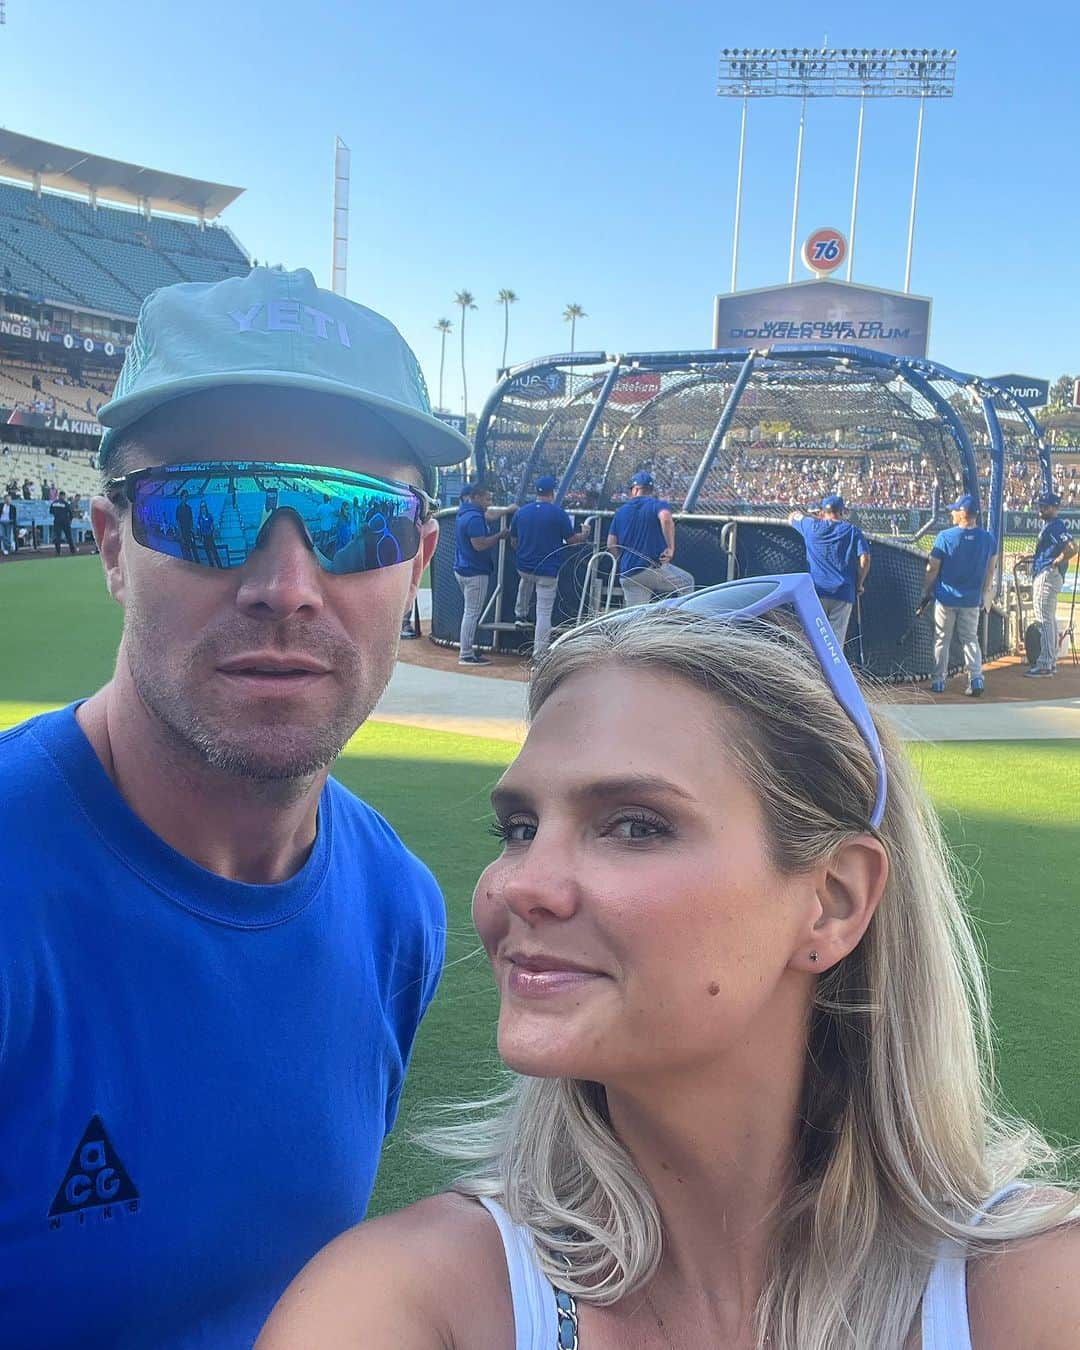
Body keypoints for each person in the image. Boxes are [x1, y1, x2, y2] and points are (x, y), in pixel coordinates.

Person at [259, 577, 1080, 1350]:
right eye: (518, 827)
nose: (522, 885)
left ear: (832, 900)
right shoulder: (409, 1303)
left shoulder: (1034, 1296)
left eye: (635, 825)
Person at [0, 267, 471, 1348]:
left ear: (418, 563)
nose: (288, 584)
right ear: (114, 545)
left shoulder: (397, 906)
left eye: (357, 523)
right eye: (209, 511)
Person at [919, 493, 997, 696]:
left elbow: (933, 567)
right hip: (971, 599)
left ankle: (938, 681)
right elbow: (991, 569)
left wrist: (926, 590)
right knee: (970, 639)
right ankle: (976, 678)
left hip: (946, 598)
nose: (952, 512)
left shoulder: (945, 536)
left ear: (963, 513)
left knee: (942, 639)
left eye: (955, 510)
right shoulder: (988, 539)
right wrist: (984, 592)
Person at [510, 474, 586, 655]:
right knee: (543, 613)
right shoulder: (558, 513)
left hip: (524, 567)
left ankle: (520, 614)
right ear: (552, 493)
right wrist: (584, 534)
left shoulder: (522, 511)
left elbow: (513, 541)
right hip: (547, 571)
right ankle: (540, 654)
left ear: (536, 491)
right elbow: (572, 541)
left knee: (526, 581)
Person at [787, 494, 870, 648]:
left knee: (812, 640)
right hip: (843, 592)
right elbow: (864, 558)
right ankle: (829, 672)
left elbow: (792, 516)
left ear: (822, 511)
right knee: (834, 645)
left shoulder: (811, 526)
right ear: (842, 511)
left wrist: (812, 517)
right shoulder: (852, 530)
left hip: (816, 591)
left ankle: (809, 671)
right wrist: (859, 584)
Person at [607, 470, 693, 607]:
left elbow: (611, 544)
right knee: (687, 582)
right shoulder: (657, 504)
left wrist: (622, 562)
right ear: (651, 490)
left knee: (635, 617)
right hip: (651, 568)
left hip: (628, 574)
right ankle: (682, 623)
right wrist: (671, 548)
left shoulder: (621, 511)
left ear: (635, 490)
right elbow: (666, 518)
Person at [454, 480, 512, 666]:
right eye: (487, 498)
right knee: (471, 613)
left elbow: (491, 515)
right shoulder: (474, 518)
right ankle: (466, 654)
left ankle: (467, 650)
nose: (489, 502)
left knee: (469, 612)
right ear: (476, 497)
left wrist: (506, 510)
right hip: (474, 571)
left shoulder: (467, 512)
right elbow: (479, 545)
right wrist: (500, 536)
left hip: (463, 568)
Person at [1021, 491, 1076, 678]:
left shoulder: (1055, 526)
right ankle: (1049, 661)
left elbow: (1071, 547)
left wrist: (1056, 561)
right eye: (1040, 505)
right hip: (1048, 572)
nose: (1040, 508)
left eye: (1044, 506)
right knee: (1048, 618)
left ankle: (1045, 663)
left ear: (1054, 508)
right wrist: (1032, 557)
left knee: (1044, 618)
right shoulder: (1051, 526)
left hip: (1048, 575)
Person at [49, 489, 77, 555]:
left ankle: (58, 551)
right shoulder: (65, 503)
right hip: (65, 521)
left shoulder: (54, 503)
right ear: (63, 496)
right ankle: (72, 550)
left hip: (57, 521)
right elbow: (70, 513)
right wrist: (70, 520)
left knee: (57, 536)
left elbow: (51, 512)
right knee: (68, 536)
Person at [176, 487, 197, 561]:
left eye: (187, 496)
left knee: (192, 550)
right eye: (185, 496)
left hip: (189, 533)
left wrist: (192, 531)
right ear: (181, 497)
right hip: (183, 533)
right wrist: (181, 535)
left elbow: (191, 520)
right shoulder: (178, 509)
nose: (186, 498)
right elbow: (178, 522)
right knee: (185, 552)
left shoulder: (189, 508)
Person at [1, 492, 15, 556]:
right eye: (7, 499)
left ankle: (8, 547)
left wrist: (12, 520)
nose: (9, 500)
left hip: (9, 523)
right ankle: (7, 547)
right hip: (1, 522)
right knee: (2, 535)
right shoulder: (1, 505)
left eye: (10, 499)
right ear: (4, 500)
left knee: (8, 536)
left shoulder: (13, 507)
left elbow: (14, 516)